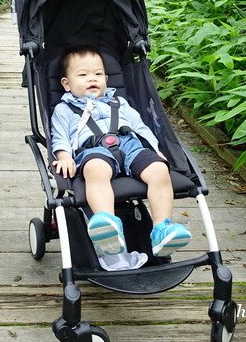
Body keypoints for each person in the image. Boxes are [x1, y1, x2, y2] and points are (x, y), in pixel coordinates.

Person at [50, 45, 191, 259]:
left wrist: (155, 150)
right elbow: (59, 136)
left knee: (159, 171)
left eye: (98, 74)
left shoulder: (119, 102)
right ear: (66, 84)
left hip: (131, 144)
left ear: (107, 79)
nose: (92, 79)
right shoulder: (64, 109)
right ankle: (107, 226)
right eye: (83, 75)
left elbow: (141, 127)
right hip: (94, 150)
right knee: (95, 170)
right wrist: (64, 156)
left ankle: (162, 228)